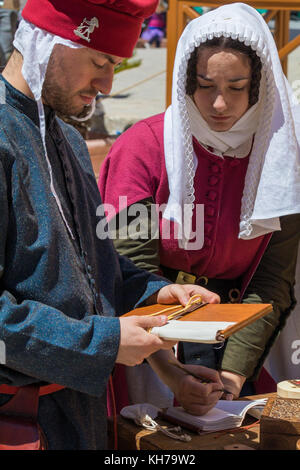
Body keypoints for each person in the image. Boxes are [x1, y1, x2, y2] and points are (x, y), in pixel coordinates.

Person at [0, 0, 225, 451]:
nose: (107, 83)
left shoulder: (68, 139)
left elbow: (91, 269)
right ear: (50, 43)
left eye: (115, 64)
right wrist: (102, 341)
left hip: (80, 417)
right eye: (99, 61)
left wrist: (152, 292)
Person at [99, 2, 300, 405]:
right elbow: (127, 267)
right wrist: (170, 372)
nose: (219, 105)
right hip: (146, 343)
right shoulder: (144, 147)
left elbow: (271, 280)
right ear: (185, 83)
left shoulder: (280, 159)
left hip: (240, 337)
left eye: (237, 87)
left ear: (259, 86)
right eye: (206, 86)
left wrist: (231, 376)